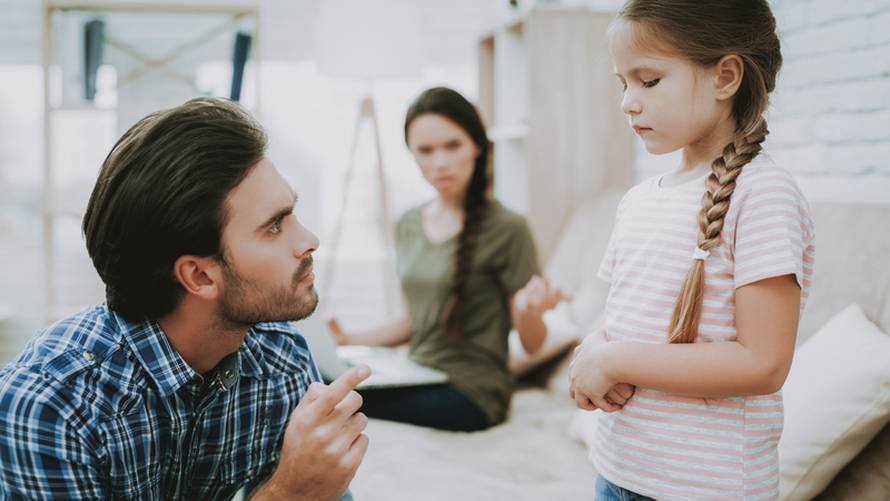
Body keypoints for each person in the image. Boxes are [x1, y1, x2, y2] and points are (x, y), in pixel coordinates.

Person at [0, 98, 369, 500]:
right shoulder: (52, 405)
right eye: (275, 226)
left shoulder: (281, 358)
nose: (309, 241)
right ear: (198, 275)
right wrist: (287, 493)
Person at [568, 1, 816, 499]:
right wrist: (592, 352)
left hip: (707, 488)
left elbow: (762, 364)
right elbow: (627, 321)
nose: (628, 103)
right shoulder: (638, 200)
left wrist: (615, 360)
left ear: (725, 77)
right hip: (618, 471)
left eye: (649, 80)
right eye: (623, 83)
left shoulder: (762, 195)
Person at [327, 87, 568, 432]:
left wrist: (530, 312)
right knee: (318, 378)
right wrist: (347, 339)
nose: (439, 162)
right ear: (412, 154)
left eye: (452, 146)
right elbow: (412, 323)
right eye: (425, 150)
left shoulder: (508, 228)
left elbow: (532, 343)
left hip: (473, 393)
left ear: (476, 146)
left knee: (332, 397)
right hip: (416, 375)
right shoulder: (409, 223)